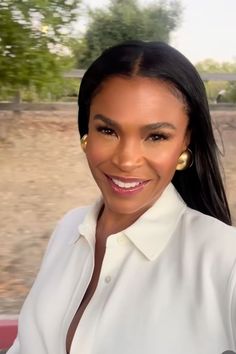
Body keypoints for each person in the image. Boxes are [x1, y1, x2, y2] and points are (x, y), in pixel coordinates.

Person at [7, 41, 236, 354]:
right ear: (85, 131)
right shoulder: (68, 229)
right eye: (108, 131)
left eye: (156, 136)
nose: (127, 161)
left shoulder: (225, 259)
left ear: (186, 141)